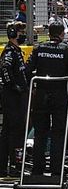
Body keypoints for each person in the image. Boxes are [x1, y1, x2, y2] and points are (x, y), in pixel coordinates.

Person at [25, 23, 68, 179]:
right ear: (62, 34)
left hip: (41, 94)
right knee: (58, 133)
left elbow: (28, 70)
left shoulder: (39, 48)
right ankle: (56, 170)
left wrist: (32, 88)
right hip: (60, 95)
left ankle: (37, 170)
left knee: (39, 133)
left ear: (49, 34)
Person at [0, 21, 29, 177]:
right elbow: (5, 68)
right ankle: (12, 166)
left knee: (12, 131)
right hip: (12, 98)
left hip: (16, 97)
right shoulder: (10, 52)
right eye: (20, 32)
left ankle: (9, 165)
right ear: (12, 34)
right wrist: (13, 86)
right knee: (13, 132)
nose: (23, 35)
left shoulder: (17, 51)